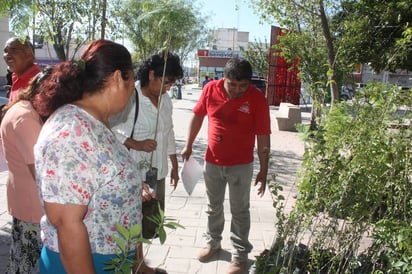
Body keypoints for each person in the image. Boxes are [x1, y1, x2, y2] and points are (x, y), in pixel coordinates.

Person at [33, 40, 141, 273]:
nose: (133, 88)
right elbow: (66, 222)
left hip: (108, 260)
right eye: (131, 79)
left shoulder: (94, 122)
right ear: (116, 78)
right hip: (82, 263)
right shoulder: (72, 130)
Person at [181, 58, 271, 274]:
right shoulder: (210, 89)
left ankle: (240, 255)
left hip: (241, 165)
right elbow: (197, 116)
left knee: (240, 210)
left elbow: (263, 136)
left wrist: (264, 169)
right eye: (233, 85)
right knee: (214, 206)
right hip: (212, 161)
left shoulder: (257, 99)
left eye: (243, 86)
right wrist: (188, 145)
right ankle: (213, 243)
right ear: (224, 78)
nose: (237, 91)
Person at [110, 51, 184, 274]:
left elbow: (168, 131)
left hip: (156, 170)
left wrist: (174, 163)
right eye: (167, 81)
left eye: (172, 83)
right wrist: (136, 143)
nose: (170, 87)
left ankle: (139, 263)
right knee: (131, 220)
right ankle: (135, 265)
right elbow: (108, 131)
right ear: (152, 75)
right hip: (133, 172)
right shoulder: (129, 97)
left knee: (147, 219)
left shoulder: (166, 100)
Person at [0, 67, 53, 274]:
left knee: (21, 259)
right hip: (32, 207)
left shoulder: (24, 108)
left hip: (25, 202)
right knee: (28, 264)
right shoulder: (26, 119)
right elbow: (41, 174)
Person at [3, 37, 40, 101]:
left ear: (29, 55)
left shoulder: (39, 82)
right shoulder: (15, 77)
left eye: (13, 50)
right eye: (6, 51)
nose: (7, 55)